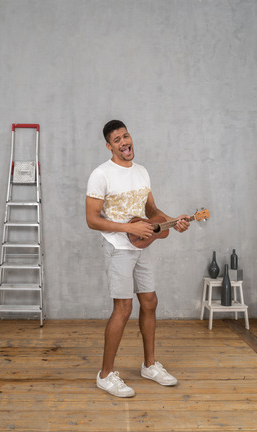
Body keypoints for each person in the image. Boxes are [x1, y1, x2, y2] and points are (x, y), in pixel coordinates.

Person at [86, 120, 190, 398]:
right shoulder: (101, 174)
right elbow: (92, 220)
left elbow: (152, 209)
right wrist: (128, 228)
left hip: (142, 244)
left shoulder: (142, 172)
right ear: (109, 146)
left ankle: (150, 365)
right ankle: (105, 375)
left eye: (126, 136)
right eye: (117, 139)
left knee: (150, 301)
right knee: (123, 308)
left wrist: (173, 221)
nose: (124, 142)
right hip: (118, 247)